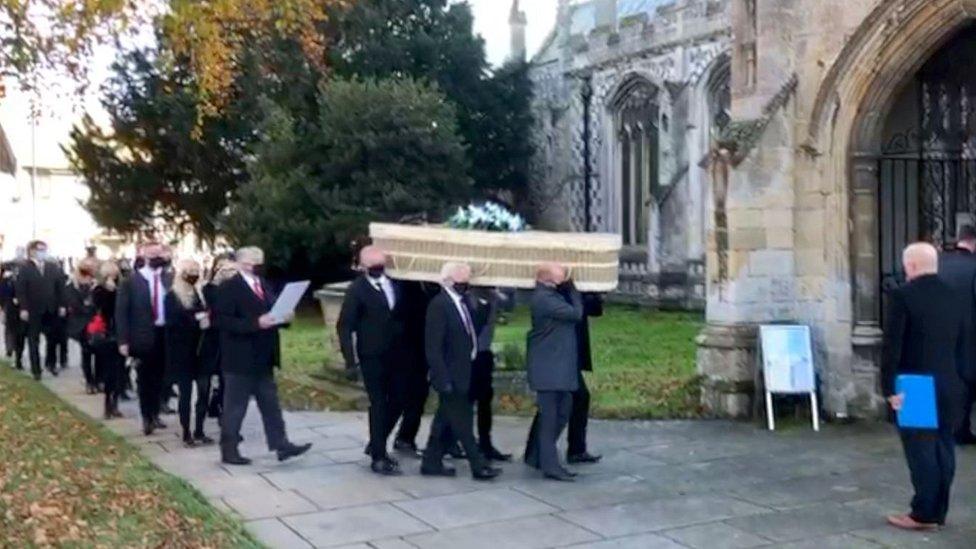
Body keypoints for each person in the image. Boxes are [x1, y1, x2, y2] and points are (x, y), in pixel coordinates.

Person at [882, 242, 967, 531]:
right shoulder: (955, 295)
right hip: (950, 380)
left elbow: (892, 346)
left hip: (914, 383)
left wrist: (889, 388)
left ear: (911, 266)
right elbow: (964, 342)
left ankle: (923, 513)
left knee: (921, 450)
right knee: (944, 446)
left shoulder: (902, 296)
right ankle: (939, 510)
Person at [216, 246, 311, 465]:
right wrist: (255, 323)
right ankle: (229, 449)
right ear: (239, 263)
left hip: (264, 355)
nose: (256, 265)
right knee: (235, 407)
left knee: (270, 404)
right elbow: (222, 321)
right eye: (252, 261)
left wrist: (284, 317)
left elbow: (273, 310)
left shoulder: (264, 285)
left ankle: (281, 444)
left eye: (260, 260)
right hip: (240, 357)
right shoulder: (230, 288)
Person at [420, 262, 501, 481]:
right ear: (448, 281)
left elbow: (470, 329)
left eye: (467, 282)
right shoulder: (439, 305)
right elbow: (433, 347)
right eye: (460, 282)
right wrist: (442, 377)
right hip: (450, 374)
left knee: (443, 420)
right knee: (463, 421)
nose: (465, 286)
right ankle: (478, 465)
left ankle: (431, 461)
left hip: (464, 371)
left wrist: (484, 307)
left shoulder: (462, 303)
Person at [337, 245, 407, 475]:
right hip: (372, 354)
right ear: (364, 266)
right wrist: (350, 360)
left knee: (399, 399)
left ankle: (376, 442)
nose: (378, 269)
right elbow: (344, 325)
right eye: (373, 265)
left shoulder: (396, 284)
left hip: (397, 353)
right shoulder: (357, 290)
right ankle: (378, 456)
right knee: (378, 403)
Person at [524, 291, 605, 466]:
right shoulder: (554, 293)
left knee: (567, 400)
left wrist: (594, 293)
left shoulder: (572, 291)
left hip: (570, 352)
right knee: (558, 401)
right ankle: (540, 452)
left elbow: (595, 310)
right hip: (559, 353)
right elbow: (574, 313)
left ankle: (563, 450)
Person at [525, 263, 583, 482]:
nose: (563, 282)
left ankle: (538, 456)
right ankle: (550, 466)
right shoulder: (545, 299)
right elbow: (575, 314)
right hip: (548, 369)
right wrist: (573, 290)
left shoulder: (549, 296)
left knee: (561, 412)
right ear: (547, 279)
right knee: (550, 419)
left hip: (556, 368)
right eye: (560, 278)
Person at [116, 242, 172, 435]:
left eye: (159, 254)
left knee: (162, 377)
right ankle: (147, 416)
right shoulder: (132, 281)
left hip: (165, 333)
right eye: (152, 254)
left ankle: (156, 412)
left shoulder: (168, 279)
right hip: (142, 335)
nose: (156, 258)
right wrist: (123, 340)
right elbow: (122, 312)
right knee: (145, 377)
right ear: (143, 256)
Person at [165, 259, 215, 446]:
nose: (194, 274)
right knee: (185, 394)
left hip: (201, 350)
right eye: (190, 271)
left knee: (204, 391)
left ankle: (200, 429)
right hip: (183, 351)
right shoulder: (172, 296)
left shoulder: (199, 293)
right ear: (182, 273)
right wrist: (195, 319)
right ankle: (186, 431)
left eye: (197, 270)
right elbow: (173, 323)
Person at [938, 224, 976, 445]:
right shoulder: (973, 266)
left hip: (939, 330)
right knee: (966, 381)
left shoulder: (939, 262)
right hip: (969, 333)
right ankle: (960, 429)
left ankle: (945, 425)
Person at [467, 287, 512, 461]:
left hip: (484, 352)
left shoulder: (491, 295)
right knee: (465, 402)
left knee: (485, 400)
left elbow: (508, 301)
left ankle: (485, 443)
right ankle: (451, 442)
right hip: (471, 354)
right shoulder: (470, 296)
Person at [15, 240, 67, 380]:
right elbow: (20, 290)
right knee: (34, 340)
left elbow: (60, 287)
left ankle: (50, 363)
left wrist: (62, 305)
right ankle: (36, 370)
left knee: (53, 339)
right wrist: (23, 308)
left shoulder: (52, 267)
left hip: (51, 309)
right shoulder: (25, 269)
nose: (42, 252)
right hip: (33, 310)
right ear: (32, 251)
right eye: (39, 249)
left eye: (44, 249)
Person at [203, 254, 236, 419]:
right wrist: (218, 281)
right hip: (217, 339)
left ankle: (219, 403)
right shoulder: (210, 288)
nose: (227, 272)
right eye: (222, 268)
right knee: (223, 377)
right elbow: (215, 307)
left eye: (231, 268)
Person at [92, 261, 125, 419]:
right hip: (106, 333)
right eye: (109, 275)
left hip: (120, 332)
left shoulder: (122, 288)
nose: (112, 278)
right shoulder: (99, 290)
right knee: (109, 371)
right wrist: (109, 291)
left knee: (120, 371)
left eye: (115, 274)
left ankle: (116, 402)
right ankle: (107, 404)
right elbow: (102, 308)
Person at [65, 259, 99, 393]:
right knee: (86, 353)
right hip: (81, 324)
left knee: (99, 353)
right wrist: (87, 307)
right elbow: (74, 304)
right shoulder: (72, 286)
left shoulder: (95, 285)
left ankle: (98, 379)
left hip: (96, 323)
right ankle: (89, 381)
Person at [1, 261, 24, 369]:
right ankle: (11, 350)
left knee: (17, 334)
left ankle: (15, 354)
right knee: (11, 331)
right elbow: (3, 294)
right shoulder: (6, 280)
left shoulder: (20, 279)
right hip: (10, 309)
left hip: (19, 309)